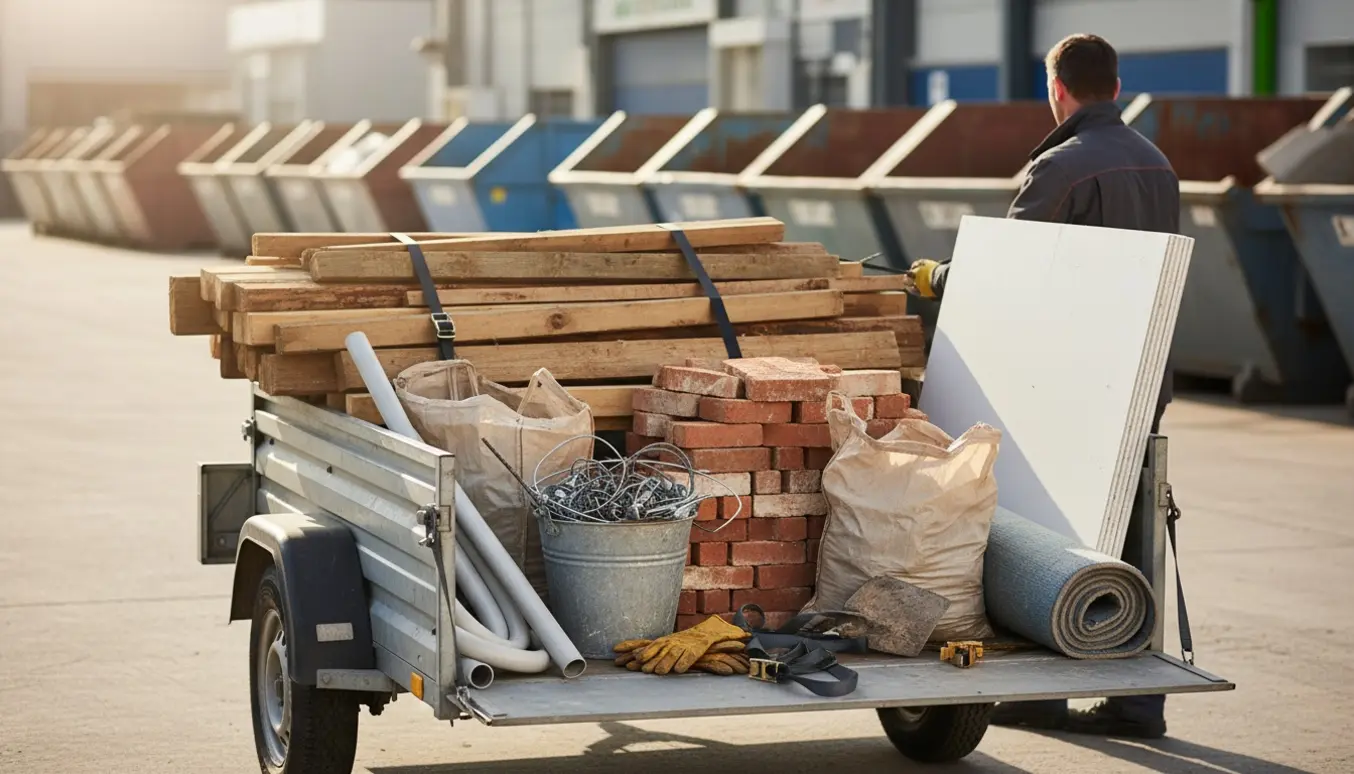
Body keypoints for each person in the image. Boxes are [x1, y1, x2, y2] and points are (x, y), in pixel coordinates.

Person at [906, 33, 1178, 740]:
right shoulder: (1158, 164)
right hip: (1143, 383)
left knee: (1050, 540)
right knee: (1138, 533)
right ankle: (1139, 700)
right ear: (1115, 88)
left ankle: (1044, 693)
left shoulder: (1058, 167)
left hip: (1070, 389)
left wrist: (942, 278)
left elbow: (1015, 278)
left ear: (1057, 91)